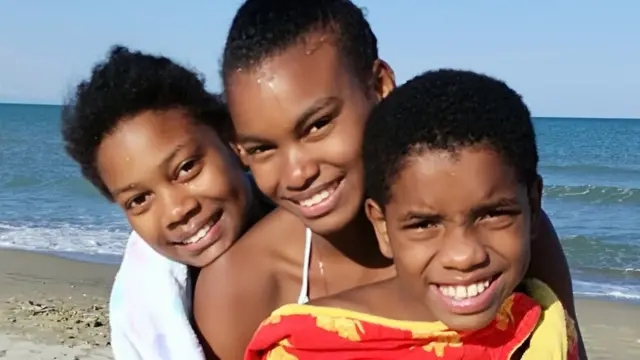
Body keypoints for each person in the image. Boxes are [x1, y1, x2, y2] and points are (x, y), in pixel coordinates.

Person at [194, 1, 585, 359]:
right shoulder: (237, 290)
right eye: (262, 148)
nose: (297, 173)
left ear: (379, 86)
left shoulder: (503, 236)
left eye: (317, 125)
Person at [245, 69, 579, 360]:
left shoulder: (542, 321)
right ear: (383, 228)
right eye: (424, 224)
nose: (463, 256)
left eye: (493, 215)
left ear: (533, 207)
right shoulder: (309, 346)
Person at [61, 46, 272, 359]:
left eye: (187, 168)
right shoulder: (148, 300)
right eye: (139, 199)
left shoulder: (311, 227)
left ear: (232, 140)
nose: (177, 210)